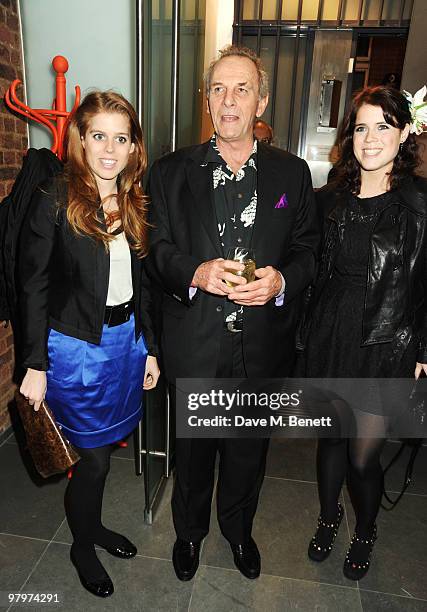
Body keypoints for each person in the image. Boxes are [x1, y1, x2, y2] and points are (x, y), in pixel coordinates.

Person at [147, 45, 319, 581]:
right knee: (194, 456)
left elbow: (310, 249)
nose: (229, 100)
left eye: (242, 88)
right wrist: (195, 272)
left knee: (248, 455)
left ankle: (239, 533)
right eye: (218, 89)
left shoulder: (293, 175)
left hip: (262, 343)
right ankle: (189, 535)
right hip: (196, 339)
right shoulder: (170, 171)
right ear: (206, 101)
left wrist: (283, 279)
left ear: (261, 100)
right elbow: (154, 248)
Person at [18, 91, 160, 598]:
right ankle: (82, 544)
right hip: (75, 349)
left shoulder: (134, 199)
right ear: (80, 139)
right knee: (93, 458)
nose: (109, 148)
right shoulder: (54, 197)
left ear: (133, 146)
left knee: (105, 451)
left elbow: (143, 284)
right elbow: (31, 284)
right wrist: (33, 364)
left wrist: (151, 348)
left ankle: (93, 527)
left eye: (120, 138)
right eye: (98, 135)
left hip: (126, 346)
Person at [302, 85, 427, 580]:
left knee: (362, 454)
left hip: (386, 339)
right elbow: (308, 262)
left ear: (403, 134)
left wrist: (423, 344)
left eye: (383, 127)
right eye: (361, 127)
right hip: (331, 331)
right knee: (330, 441)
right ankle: (329, 518)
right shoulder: (329, 196)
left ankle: (366, 529)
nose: (370, 138)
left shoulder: (420, 202)